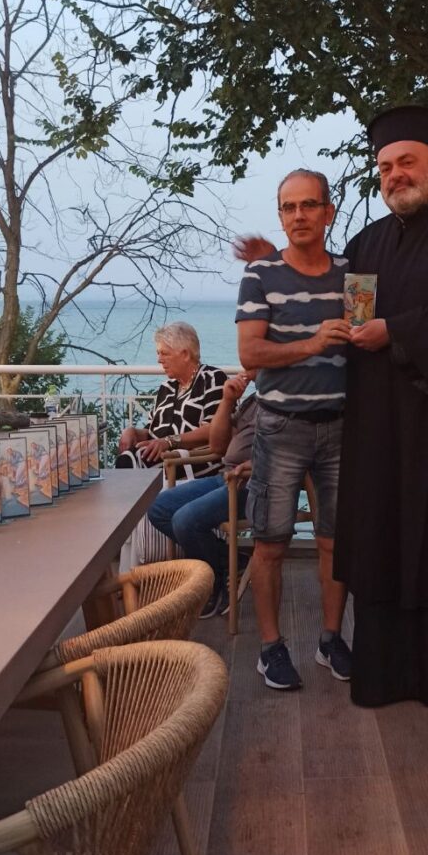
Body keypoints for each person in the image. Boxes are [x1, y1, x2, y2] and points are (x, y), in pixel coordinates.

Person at [235, 105, 428, 708]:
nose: (395, 175)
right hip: (384, 432)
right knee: (384, 543)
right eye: (385, 167)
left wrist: (397, 331)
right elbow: (337, 303)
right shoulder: (367, 245)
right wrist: (274, 258)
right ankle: (387, 663)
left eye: (406, 162)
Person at [236, 169, 352, 692]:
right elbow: (250, 353)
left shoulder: (352, 275)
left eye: (309, 205)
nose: (299, 215)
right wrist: (312, 344)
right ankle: (271, 648)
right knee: (270, 544)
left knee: (334, 542)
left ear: (328, 212)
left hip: (342, 427)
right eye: (289, 207)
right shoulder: (260, 275)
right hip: (281, 428)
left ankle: (331, 639)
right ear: (280, 215)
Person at [147, 370, 257, 617]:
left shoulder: (284, 405)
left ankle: (213, 581)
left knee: (184, 519)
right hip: (226, 477)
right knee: (158, 508)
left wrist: (256, 466)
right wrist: (227, 401)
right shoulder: (253, 401)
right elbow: (218, 446)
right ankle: (229, 562)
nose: (247, 367)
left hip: (252, 484)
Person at [116, 322, 226, 477]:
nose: (159, 360)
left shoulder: (212, 379)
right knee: (128, 459)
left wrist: (169, 442)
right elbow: (151, 431)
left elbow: (214, 430)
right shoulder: (167, 387)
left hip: (192, 459)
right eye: (158, 353)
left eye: (164, 353)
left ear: (185, 354)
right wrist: (132, 431)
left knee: (130, 464)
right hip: (159, 456)